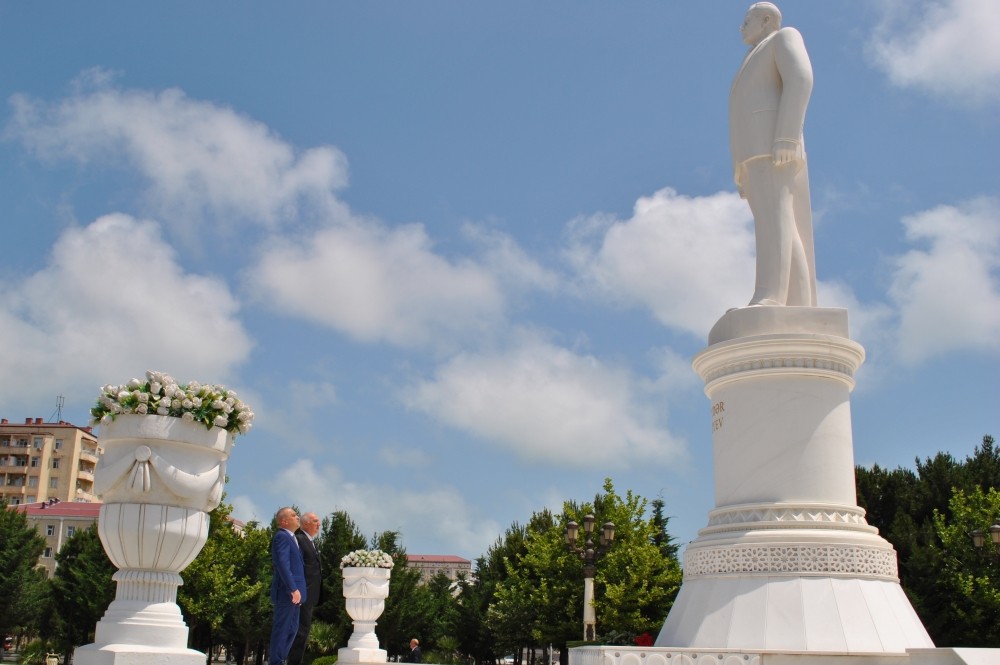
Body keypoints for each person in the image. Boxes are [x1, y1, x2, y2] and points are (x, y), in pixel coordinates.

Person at [729, 2, 817, 307]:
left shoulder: (784, 37)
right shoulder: (752, 55)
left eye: (746, 20)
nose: (741, 27)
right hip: (753, 151)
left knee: (777, 218)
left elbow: (801, 79)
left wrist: (787, 135)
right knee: (776, 221)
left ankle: (771, 295)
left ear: (766, 20)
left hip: (772, 143)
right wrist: (739, 166)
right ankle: (798, 302)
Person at [269, 507, 306, 665]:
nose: (298, 517)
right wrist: (293, 588)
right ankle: (276, 662)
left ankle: (280, 660)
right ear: (284, 521)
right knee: (282, 629)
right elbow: (283, 564)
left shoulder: (293, 538)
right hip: (288, 593)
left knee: (291, 629)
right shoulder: (282, 537)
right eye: (293, 515)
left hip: (295, 594)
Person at [288, 512, 322, 665]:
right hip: (301, 595)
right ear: (306, 523)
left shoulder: (310, 541)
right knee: (299, 633)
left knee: (302, 633)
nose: (319, 524)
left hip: (308, 595)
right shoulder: (299, 540)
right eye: (315, 521)